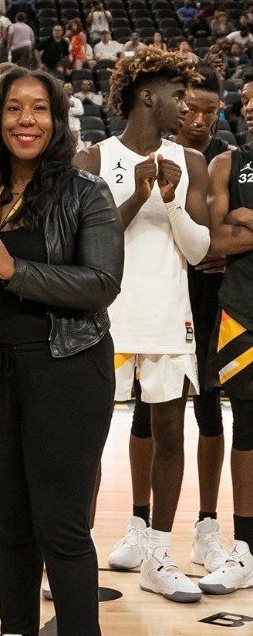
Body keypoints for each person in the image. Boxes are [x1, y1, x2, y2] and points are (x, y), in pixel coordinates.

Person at [0, 66, 123, 636]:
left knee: (63, 528)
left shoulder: (86, 191)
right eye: (13, 108)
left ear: (57, 120)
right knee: (10, 526)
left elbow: (100, 282)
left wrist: (11, 269)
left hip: (68, 367)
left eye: (39, 109)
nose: (26, 120)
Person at [76, 49, 211, 601]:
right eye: (178, 97)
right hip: (103, 318)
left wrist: (172, 202)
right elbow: (86, 243)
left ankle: (159, 555)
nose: (187, 109)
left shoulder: (191, 162)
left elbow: (199, 251)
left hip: (166, 317)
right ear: (147, 97)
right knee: (85, 441)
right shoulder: (92, 159)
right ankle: (76, 557)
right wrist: (137, 195)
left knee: (171, 434)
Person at [124, 57, 233, 574]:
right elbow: (217, 236)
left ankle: (205, 526)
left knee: (206, 409)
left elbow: (213, 240)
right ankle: (138, 522)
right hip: (154, 296)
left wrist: (222, 238)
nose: (199, 118)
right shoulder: (148, 156)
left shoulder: (217, 161)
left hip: (207, 300)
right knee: (144, 413)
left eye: (210, 110)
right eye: (190, 107)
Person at [198, 70, 253, 593]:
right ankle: (246, 549)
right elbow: (214, 241)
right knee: (247, 428)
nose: (250, 108)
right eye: (248, 101)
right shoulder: (227, 163)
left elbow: (234, 226)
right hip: (241, 311)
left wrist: (246, 217)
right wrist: (232, 224)